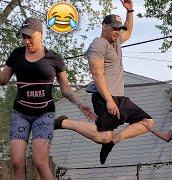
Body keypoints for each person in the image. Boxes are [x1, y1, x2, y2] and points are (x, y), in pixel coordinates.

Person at [54, 0, 155, 164]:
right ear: (104, 26)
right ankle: (65, 122)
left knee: (147, 122)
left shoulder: (116, 42)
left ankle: (112, 142)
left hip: (120, 98)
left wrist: (130, 11)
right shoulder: (98, 44)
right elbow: (97, 74)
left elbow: (127, 33)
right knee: (103, 136)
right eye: (114, 28)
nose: (117, 31)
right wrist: (108, 100)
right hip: (104, 97)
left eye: (119, 28)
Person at [0, 17, 96, 180]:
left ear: (40, 34)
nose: (26, 41)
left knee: (40, 162)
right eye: (23, 37)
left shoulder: (54, 58)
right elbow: (3, 79)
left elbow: (65, 88)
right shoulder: (16, 55)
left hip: (44, 114)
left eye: (29, 36)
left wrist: (80, 104)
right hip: (20, 113)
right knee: (16, 162)